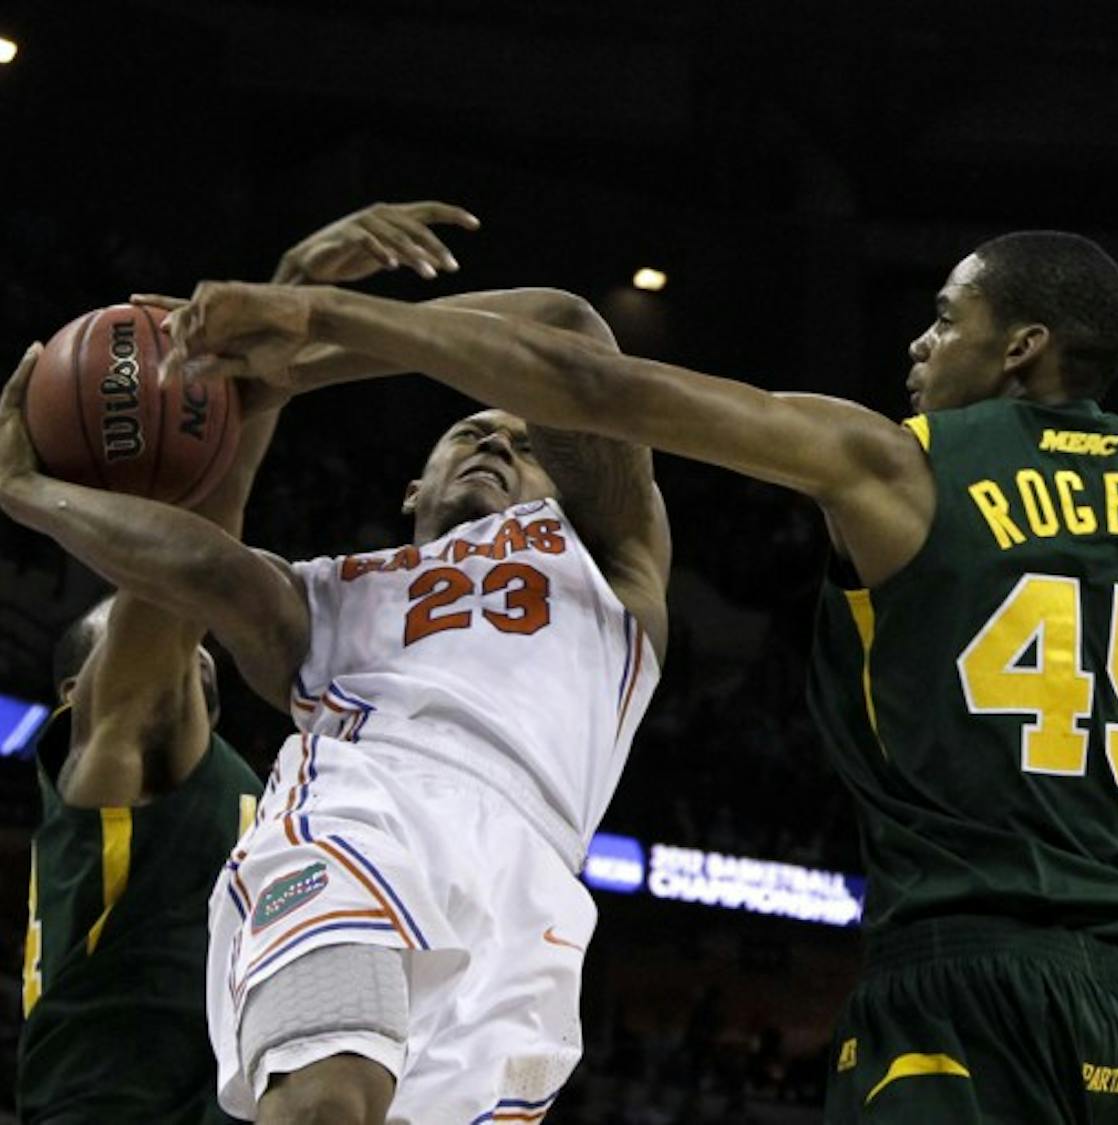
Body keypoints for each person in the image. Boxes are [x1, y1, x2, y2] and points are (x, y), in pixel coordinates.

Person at [141, 17, 1118, 1124]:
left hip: (955, 969)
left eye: (947, 317)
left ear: (1020, 349)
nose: (919, 338)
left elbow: (591, 382)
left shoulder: (897, 466)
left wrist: (327, 319)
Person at [0, 278, 670, 1120]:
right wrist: (33, 495)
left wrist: (307, 354)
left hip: (535, 894)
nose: (497, 441)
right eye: (470, 429)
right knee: (325, 1101)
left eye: (527, 442)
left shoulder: (611, 556)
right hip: (366, 806)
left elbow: (570, 331)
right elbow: (203, 568)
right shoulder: (330, 597)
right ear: (411, 490)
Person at [5, 200, 479, 1123]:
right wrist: (284, 304)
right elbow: (187, 576)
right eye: (127, 630)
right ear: (75, 695)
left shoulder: (252, 788)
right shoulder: (112, 761)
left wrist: (278, 322)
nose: (180, 646)